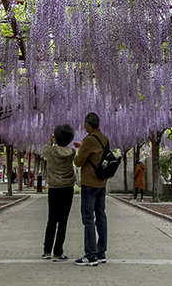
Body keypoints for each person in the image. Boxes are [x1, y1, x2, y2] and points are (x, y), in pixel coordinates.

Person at [72, 112, 109, 267]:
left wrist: (79, 151)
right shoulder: (104, 139)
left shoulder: (88, 139)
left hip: (90, 184)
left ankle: (90, 255)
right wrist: (84, 147)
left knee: (88, 218)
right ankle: (101, 253)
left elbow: (79, 162)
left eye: (85, 124)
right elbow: (99, 155)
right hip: (102, 183)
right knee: (101, 216)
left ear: (88, 124)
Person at [41, 124, 76, 262]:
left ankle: (46, 250)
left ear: (55, 138)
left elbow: (45, 149)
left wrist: (51, 141)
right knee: (63, 221)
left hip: (54, 188)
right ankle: (58, 252)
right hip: (67, 188)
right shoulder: (72, 152)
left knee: (52, 219)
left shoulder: (50, 152)